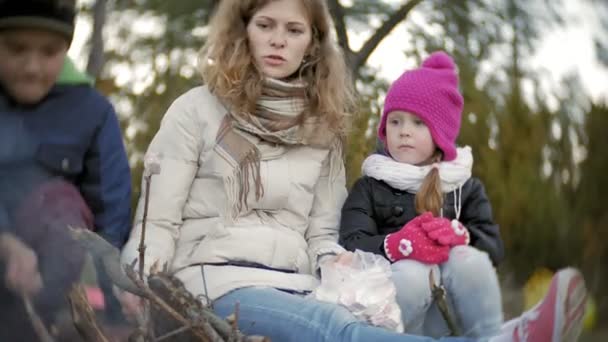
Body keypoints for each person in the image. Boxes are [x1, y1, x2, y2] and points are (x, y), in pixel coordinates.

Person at [119, 1, 585, 341]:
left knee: (364, 314)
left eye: (294, 29)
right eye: (265, 25)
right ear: (244, 31)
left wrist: (343, 266)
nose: (279, 39)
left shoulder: (320, 131)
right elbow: (156, 221)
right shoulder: (195, 111)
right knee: (334, 329)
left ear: (313, 43)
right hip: (213, 279)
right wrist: (142, 289)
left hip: (296, 283)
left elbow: (323, 234)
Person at [339, 51, 587, 341]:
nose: (404, 131)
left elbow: (492, 246)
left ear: (440, 134)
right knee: (412, 271)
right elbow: (350, 241)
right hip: (397, 315)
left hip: (452, 313)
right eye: (395, 121)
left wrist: (461, 235)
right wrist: (396, 245)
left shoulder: (464, 187)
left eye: (418, 123)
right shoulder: (370, 186)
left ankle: (494, 337)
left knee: (467, 258)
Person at [0, 0, 132, 338]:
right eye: (16, 49)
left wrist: (114, 311)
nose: (32, 67)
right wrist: (6, 242)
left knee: (62, 203)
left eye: (49, 52)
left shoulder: (92, 112)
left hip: (50, 282)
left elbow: (109, 219)